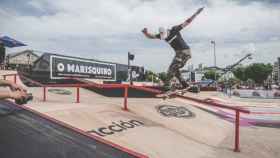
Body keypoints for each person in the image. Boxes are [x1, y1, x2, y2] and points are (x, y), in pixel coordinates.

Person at [142, 7, 204, 91]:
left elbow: (186, 22)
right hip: (178, 53)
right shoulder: (161, 35)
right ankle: (186, 85)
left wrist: (196, 13)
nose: (165, 38)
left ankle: (167, 86)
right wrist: (145, 33)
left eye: (165, 36)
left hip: (185, 52)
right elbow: (151, 36)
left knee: (172, 68)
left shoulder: (174, 29)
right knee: (175, 70)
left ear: (167, 31)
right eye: (163, 37)